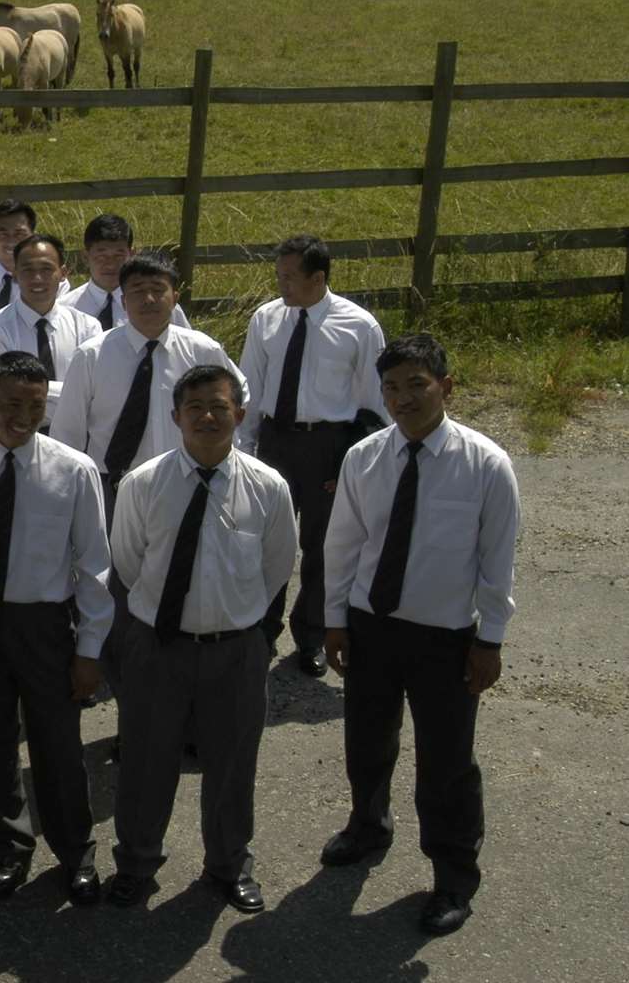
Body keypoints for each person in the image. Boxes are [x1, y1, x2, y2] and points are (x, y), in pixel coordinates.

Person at [320, 334, 519, 937]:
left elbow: (496, 560)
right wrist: (335, 619)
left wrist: (491, 640)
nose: (402, 398)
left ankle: (453, 875)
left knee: (447, 762)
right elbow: (344, 545)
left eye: (416, 385)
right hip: (373, 628)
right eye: (391, 388)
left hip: (446, 637)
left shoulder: (485, 463)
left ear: (446, 387)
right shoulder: (365, 457)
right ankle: (368, 824)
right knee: (366, 739)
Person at [107, 366, 296, 913]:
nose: (207, 417)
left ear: (239, 413)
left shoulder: (267, 487)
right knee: (146, 760)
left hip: (235, 650)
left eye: (219, 406)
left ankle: (228, 865)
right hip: (157, 645)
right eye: (195, 407)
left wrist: (235, 617)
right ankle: (137, 863)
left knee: (233, 764)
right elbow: (128, 561)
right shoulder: (143, 484)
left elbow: (276, 564)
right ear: (176, 417)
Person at [0, 352, 113, 903]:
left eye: (35, 405)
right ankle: (10, 848)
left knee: (57, 743)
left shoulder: (74, 470)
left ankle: (75, 850)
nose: (23, 415)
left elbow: (94, 567)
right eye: (11, 403)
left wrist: (89, 650)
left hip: (44, 624)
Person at [48, 254, 243, 716]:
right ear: (122, 297)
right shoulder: (95, 355)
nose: (149, 299)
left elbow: (238, 410)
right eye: (137, 291)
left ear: (176, 294)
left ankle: (188, 703)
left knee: (185, 586)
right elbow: (70, 438)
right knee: (115, 594)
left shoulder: (204, 352)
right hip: (114, 492)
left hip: (191, 485)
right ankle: (125, 693)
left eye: (159, 289)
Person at [236, 234, 388, 677]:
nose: (281, 284)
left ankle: (312, 635)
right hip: (276, 440)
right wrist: (246, 448)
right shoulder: (266, 319)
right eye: (278, 275)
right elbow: (252, 385)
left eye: (289, 277)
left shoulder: (358, 326)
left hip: (328, 444)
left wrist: (351, 464)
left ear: (317, 277)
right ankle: (260, 631)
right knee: (266, 540)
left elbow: (373, 404)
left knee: (324, 546)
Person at [0, 234, 103, 422]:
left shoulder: (87, 327)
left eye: (46, 269)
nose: (37, 278)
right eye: (28, 270)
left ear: (63, 273)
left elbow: (94, 392)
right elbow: (5, 393)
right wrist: (72, 392)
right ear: (14, 274)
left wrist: (28, 392)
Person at [59, 214, 189, 332]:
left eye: (118, 256)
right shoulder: (65, 309)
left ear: (132, 255)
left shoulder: (158, 305)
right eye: (101, 257)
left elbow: (185, 345)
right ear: (86, 257)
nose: (110, 264)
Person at [0, 199, 69, 309]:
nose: (11, 241)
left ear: (33, 237)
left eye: (19, 234)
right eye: (3, 234)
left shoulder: (51, 279)